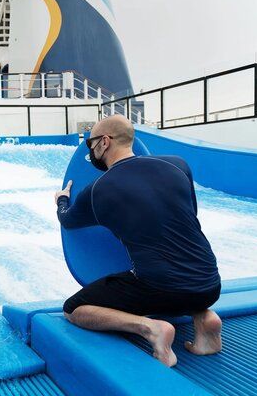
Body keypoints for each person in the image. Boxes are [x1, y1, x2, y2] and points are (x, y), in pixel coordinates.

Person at [55, 115, 222, 367]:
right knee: (180, 282)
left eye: (91, 145)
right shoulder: (178, 165)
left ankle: (151, 329)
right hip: (210, 284)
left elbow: (67, 220)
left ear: (104, 142)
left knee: (73, 309)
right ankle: (204, 317)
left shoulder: (99, 189)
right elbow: (190, 214)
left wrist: (62, 198)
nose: (90, 152)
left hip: (162, 288)